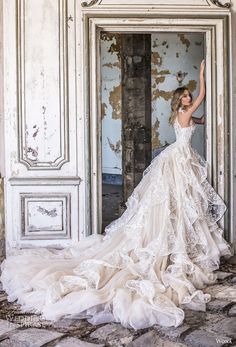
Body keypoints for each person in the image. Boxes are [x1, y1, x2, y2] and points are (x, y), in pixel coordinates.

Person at [0, 60, 232, 330]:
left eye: (189, 96)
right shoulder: (183, 112)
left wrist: (207, 119)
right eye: (185, 96)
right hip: (177, 161)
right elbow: (202, 100)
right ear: (178, 101)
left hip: (181, 159)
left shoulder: (185, 116)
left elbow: (200, 120)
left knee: (181, 204)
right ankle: (170, 246)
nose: (189, 98)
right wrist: (202, 75)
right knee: (172, 202)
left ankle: (179, 241)